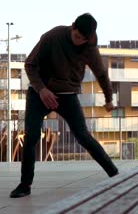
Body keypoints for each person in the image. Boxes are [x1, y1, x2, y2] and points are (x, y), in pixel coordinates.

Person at [10, 13, 119, 198]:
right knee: (32, 136)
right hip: (40, 93)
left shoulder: (89, 47)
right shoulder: (53, 36)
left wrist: (109, 99)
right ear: (72, 27)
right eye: (77, 37)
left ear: (89, 37)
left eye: (83, 40)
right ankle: (24, 185)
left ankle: (115, 175)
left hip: (68, 95)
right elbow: (30, 64)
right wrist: (42, 89)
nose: (78, 42)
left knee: (83, 136)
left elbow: (101, 73)